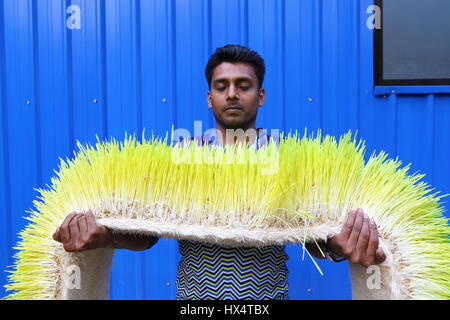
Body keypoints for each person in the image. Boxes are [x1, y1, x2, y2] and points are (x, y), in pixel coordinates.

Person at [53, 44, 386, 299]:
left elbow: (312, 239)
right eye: (222, 85)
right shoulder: (181, 156)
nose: (232, 94)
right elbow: (148, 234)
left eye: (243, 85)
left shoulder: (291, 157)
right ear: (209, 97)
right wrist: (105, 236)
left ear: (261, 96)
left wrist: (338, 246)